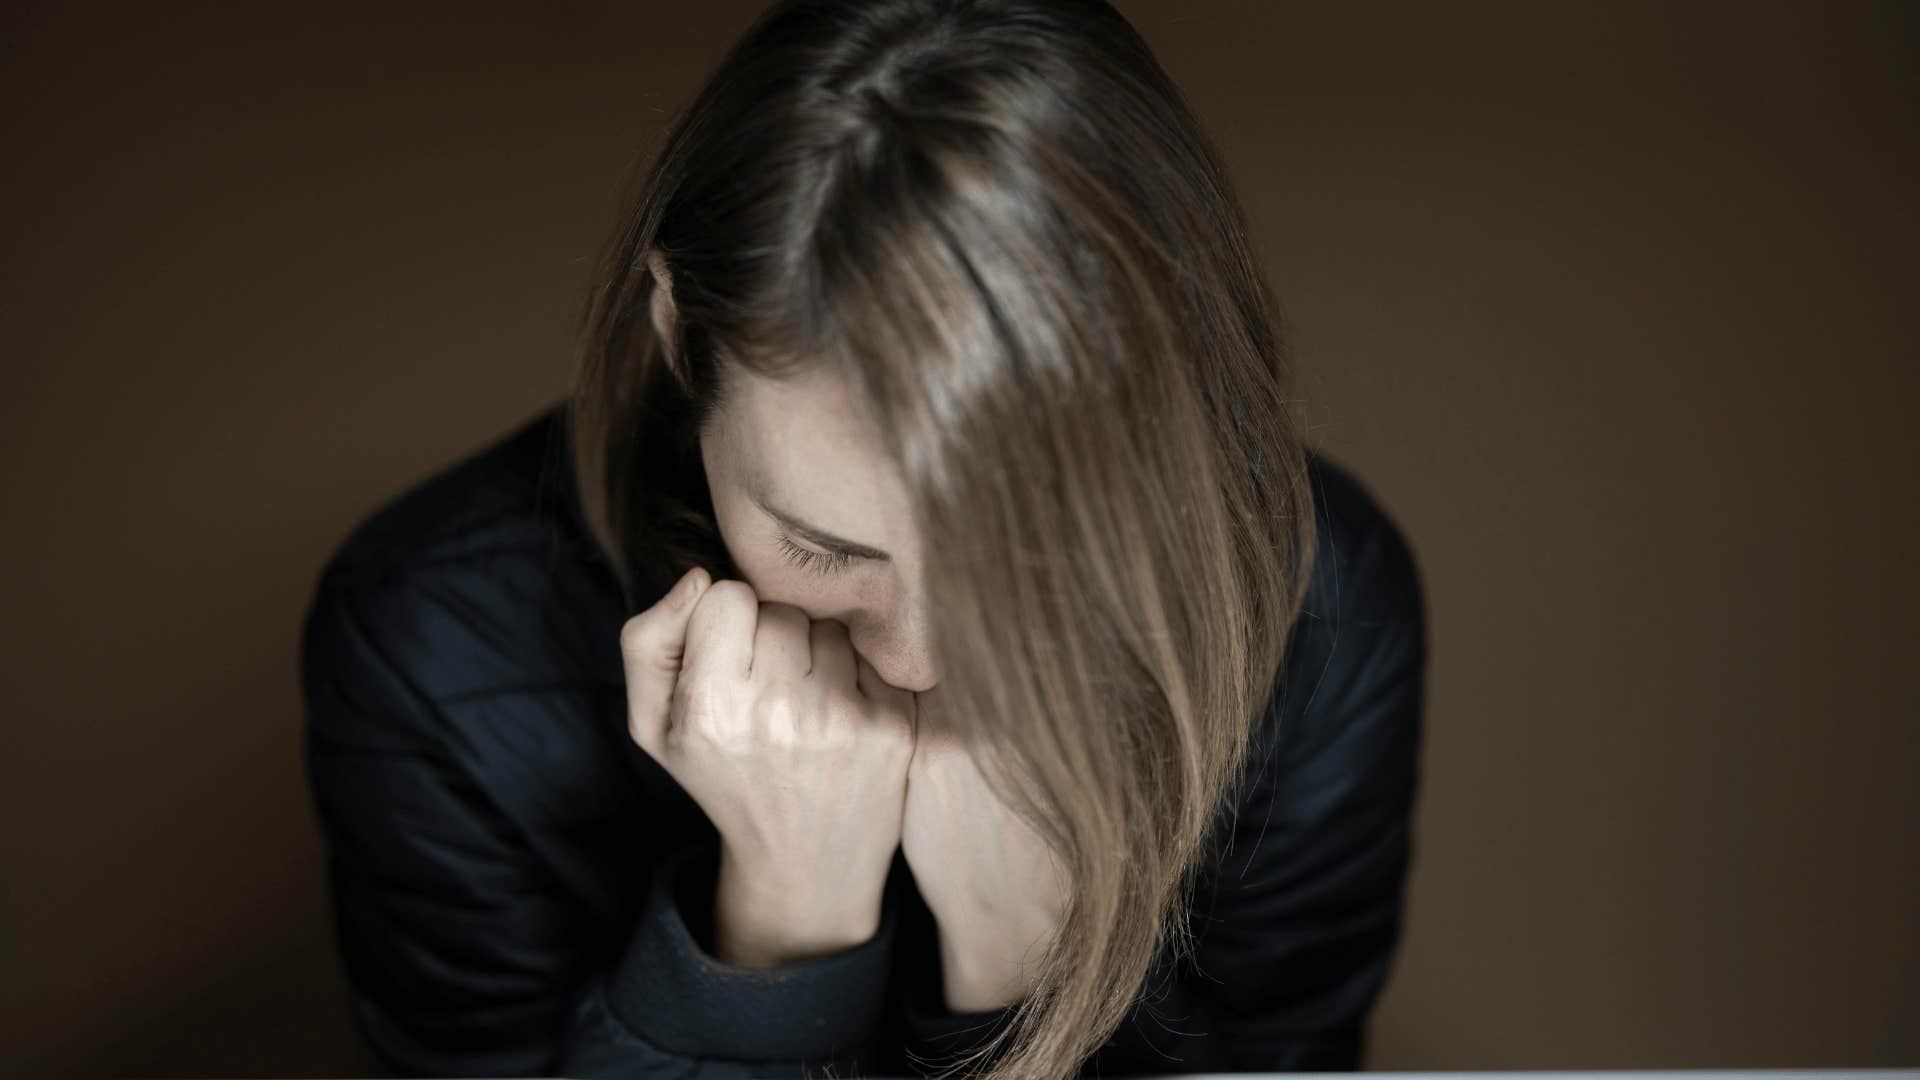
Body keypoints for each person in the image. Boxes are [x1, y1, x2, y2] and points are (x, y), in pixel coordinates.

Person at [299, 1, 1427, 1078]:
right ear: (680, 340)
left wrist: (1024, 963)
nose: (919, 667)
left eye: (1021, 563)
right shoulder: (433, 642)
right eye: (827, 548)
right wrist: (781, 927)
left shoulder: (1315, 608)